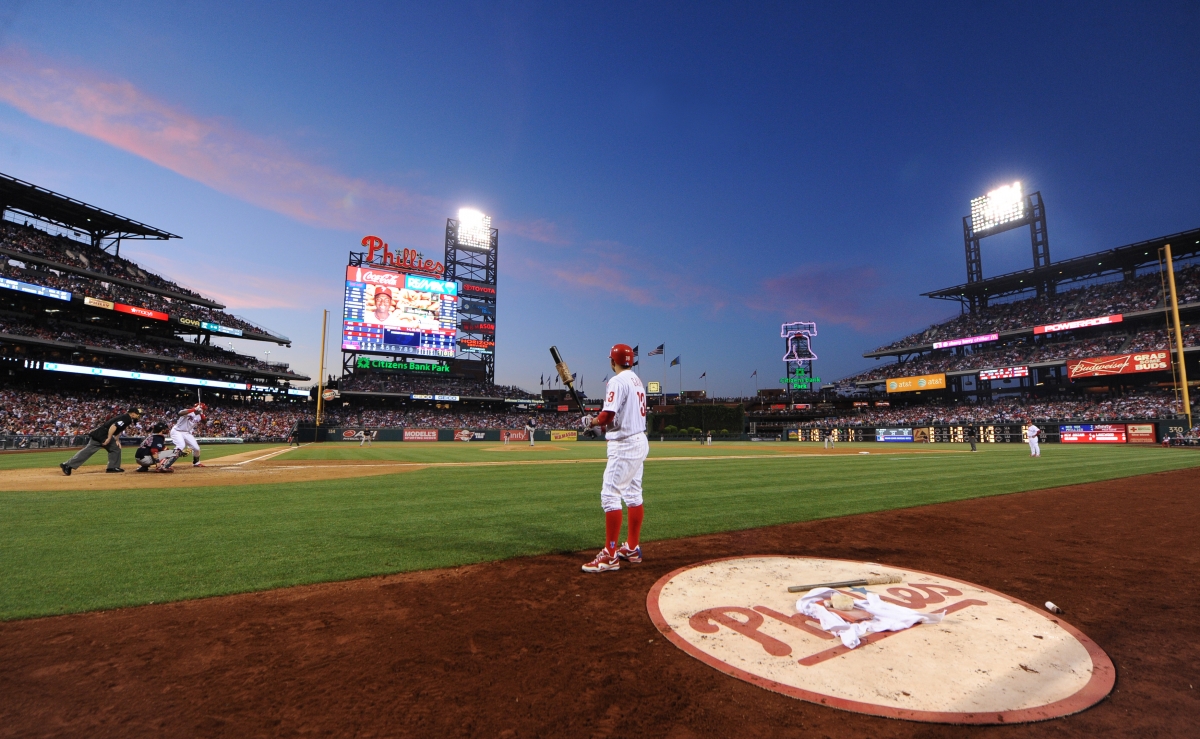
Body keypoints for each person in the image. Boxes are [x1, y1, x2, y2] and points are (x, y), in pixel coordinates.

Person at [582, 344, 649, 573]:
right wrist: (601, 424)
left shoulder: (617, 381)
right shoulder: (637, 381)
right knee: (633, 494)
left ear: (613, 362)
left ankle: (610, 555)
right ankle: (631, 547)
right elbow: (616, 417)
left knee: (610, 496)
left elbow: (608, 414)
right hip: (638, 440)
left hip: (624, 445)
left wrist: (590, 422)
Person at [61, 406, 143, 475]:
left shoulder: (127, 418)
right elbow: (113, 426)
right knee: (89, 450)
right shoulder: (126, 418)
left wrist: (117, 440)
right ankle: (67, 465)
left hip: (104, 433)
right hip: (102, 434)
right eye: (138, 414)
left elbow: (118, 429)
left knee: (115, 449)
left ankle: (112, 467)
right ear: (133, 413)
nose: (139, 416)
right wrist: (109, 438)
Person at [164, 403, 207, 469]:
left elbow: (205, 422)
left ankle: (196, 463)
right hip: (177, 431)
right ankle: (166, 463)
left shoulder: (199, 416)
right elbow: (180, 413)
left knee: (196, 448)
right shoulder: (189, 411)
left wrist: (201, 413)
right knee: (180, 446)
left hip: (187, 433)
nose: (204, 410)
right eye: (203, 409)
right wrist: (194, 409)